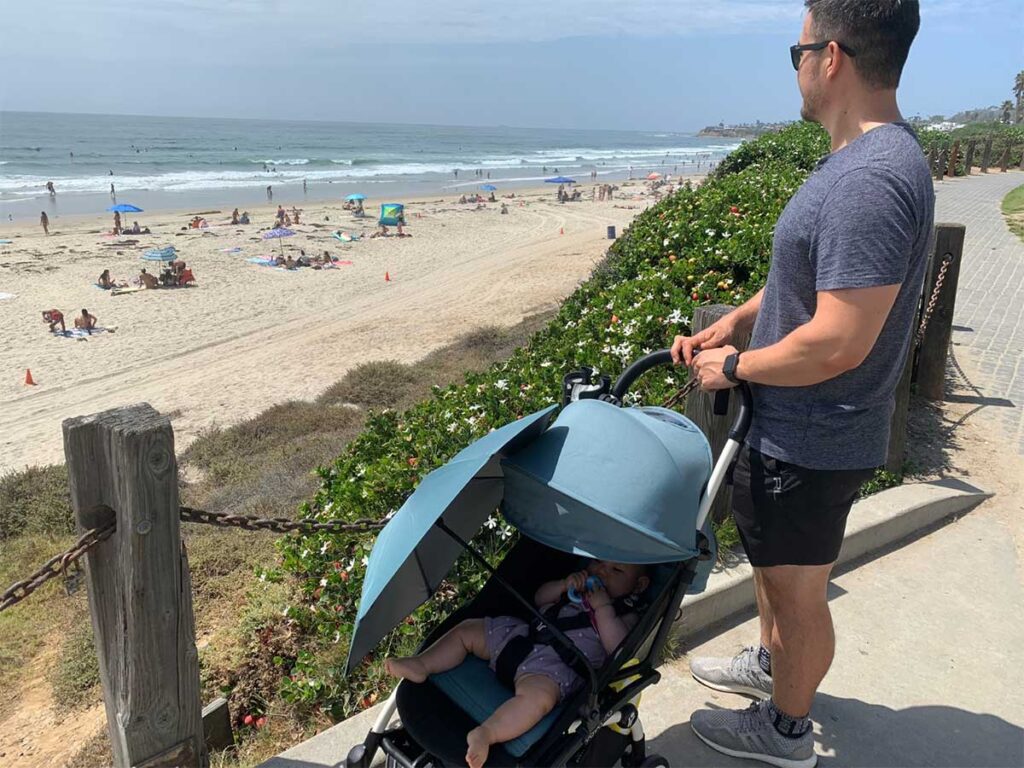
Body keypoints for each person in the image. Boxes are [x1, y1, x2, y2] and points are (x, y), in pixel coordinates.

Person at [671, 3, 932, 767]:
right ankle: (769, 665)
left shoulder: (873, 179)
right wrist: (739, 322)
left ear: (833, 57)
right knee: (775, 577)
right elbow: (810, 279)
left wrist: (736, 367)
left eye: (798, 48)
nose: (794, 65)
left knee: (798, 592)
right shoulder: (859, 160)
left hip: (813, 435)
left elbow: (837, 341)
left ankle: (786, 730)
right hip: (793, 428)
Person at [386, 560, 650, 768]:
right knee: (468, 630)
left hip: (554, 669)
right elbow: (540, 598)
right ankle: (422, 664)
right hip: (521, 636)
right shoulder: (575, 588)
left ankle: (487, 734)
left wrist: (603, 607)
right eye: (598, 562)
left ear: (638, 585)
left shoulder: (626, 615)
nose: (601, 571)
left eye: (615, 570)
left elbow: (618, 648)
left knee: (538, 700)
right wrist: (561, 585)